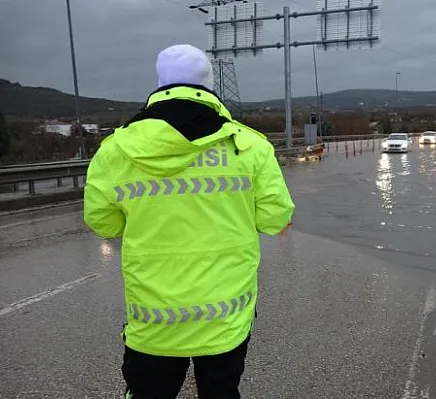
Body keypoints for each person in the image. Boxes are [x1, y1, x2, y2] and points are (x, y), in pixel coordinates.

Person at [83, 44, 295, 398]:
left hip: (153, 324)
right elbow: (274, 218)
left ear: (160, 83)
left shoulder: (115, 150)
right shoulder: (249, 147)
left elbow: (103, 223)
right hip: (225, 321)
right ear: (209, 84)